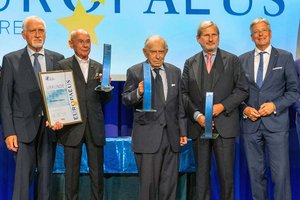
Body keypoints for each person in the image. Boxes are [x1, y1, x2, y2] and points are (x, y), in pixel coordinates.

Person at [181, 21, 248, 200]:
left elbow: (242, 90)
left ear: (218, 37)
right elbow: (184, 94)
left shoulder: (232, 60)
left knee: (227, 178)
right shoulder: (190, 62)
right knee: (201, 180)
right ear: (198, 39)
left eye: (214, 35)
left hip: (224, 126)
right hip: (199, 127)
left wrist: (222, 106)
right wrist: (197, 116)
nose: (211, 39)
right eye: (206, 35)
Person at [0, 16, 64, 200]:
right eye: (33, 31)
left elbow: (62, 95)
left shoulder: (58, 59)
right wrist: (9, 132)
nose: (38, 34)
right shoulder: (11, 60)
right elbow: (5, 100)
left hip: (49, 129)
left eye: (41, 30)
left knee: (45, 184)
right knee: (22, 184)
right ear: (23, 35)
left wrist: (61, 117)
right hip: (21, 130)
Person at [239, 18, 299, 200]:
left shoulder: (285, 56)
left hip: (277, 125)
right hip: (251, 126)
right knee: (256, 176)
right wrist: (244, 109)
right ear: (251, 37)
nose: (260, 34)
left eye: (264, 30)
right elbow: (237, 93)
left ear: (270, 33)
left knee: (280, 175)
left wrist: (274, 105)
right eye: (256, 31)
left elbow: (293, 91)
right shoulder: (242, 60)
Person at [122, 35, 187, 200]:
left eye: (161, 52)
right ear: (145, 52)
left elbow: (179, 104)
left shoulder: (174, 72)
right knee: (148, 189)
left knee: (169, 187)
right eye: (153, 52)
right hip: (147, 138)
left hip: (171, 137)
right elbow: (126, 99)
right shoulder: (135, 72)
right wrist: (139, 92)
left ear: (166, 51)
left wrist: (183, 131)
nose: (158, 56)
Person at [55, 29, 112, 200]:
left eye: (88, 41)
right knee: (71, 175)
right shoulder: (62, 65)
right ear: (71, 44)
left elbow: (106, 99)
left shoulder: (99, 66)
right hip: (72, 127)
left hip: (94, 126)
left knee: (97, 175)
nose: (86, 45)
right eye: (81, 41)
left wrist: (106, 87)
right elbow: (57, 96)